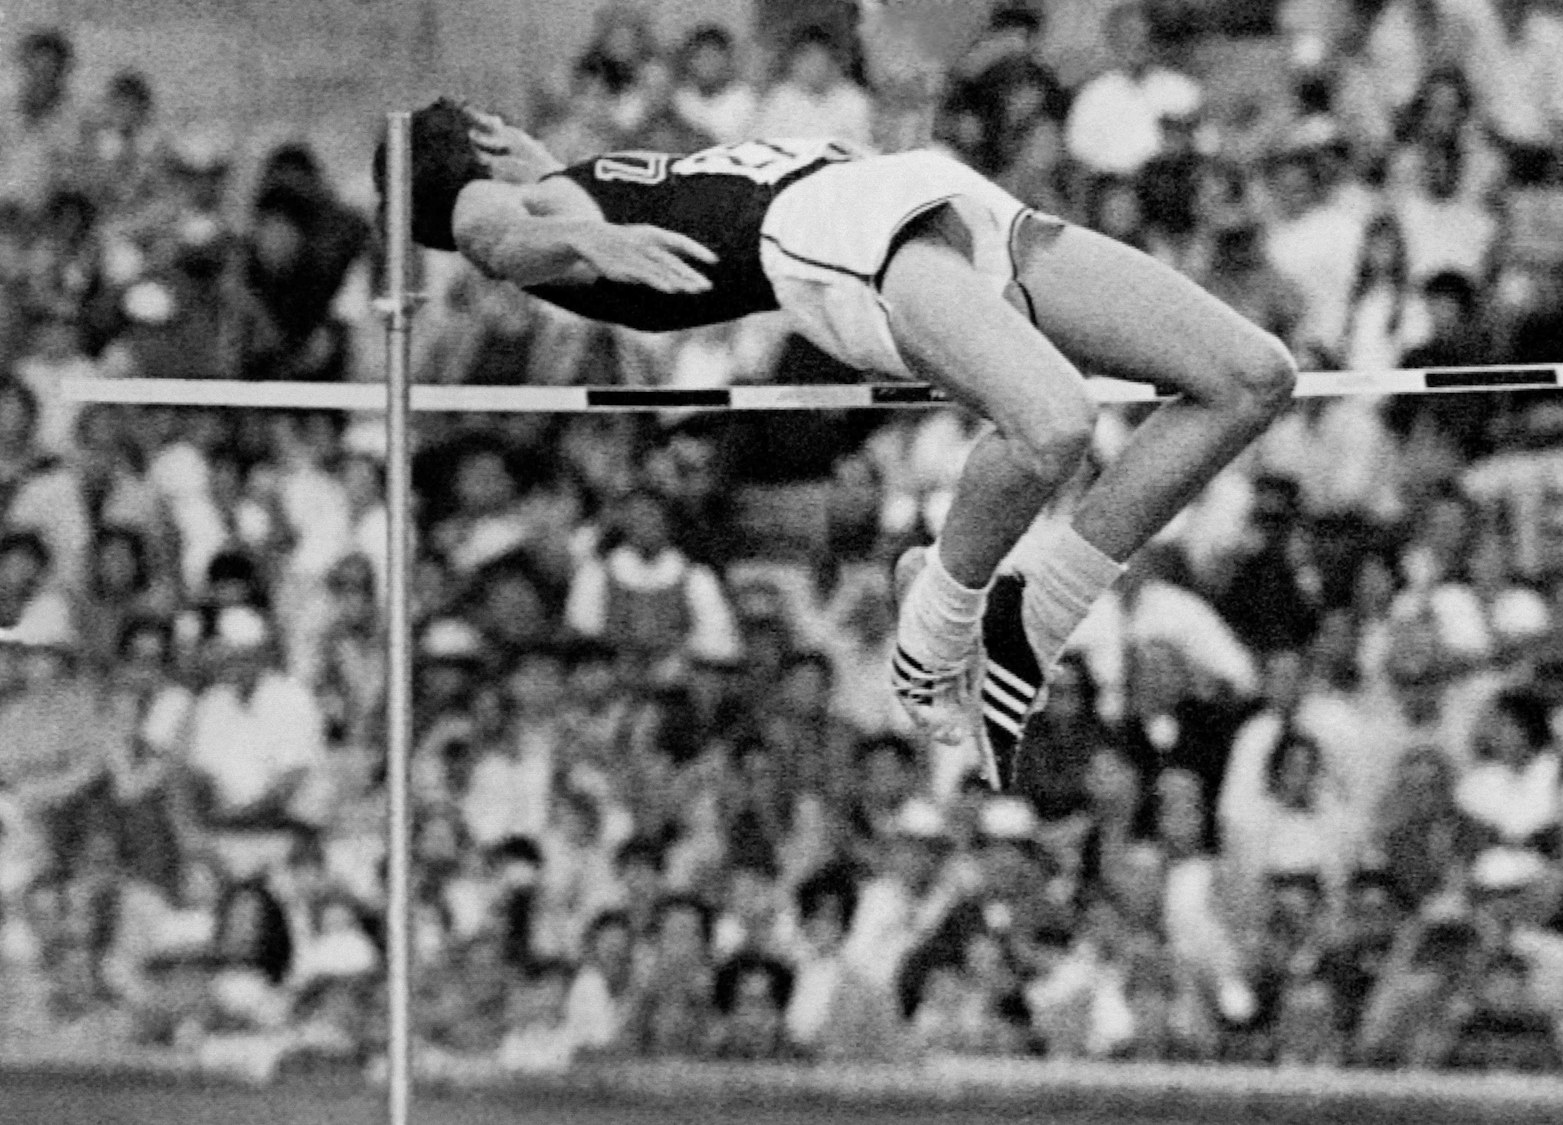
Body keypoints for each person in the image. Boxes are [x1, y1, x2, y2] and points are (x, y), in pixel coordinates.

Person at [378, 100, 1296, 791]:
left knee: (1250, 378)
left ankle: (1031, 618)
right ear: (476, 146)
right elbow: (492, 239)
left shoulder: (571, 177)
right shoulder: (515, 201)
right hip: (833, 235)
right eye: (492, 122)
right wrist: (583, 237)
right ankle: (930, 631)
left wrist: (578, 210)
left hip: (920, 194)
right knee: (1052, 425)